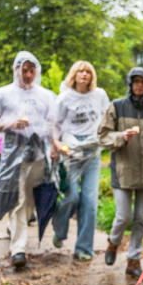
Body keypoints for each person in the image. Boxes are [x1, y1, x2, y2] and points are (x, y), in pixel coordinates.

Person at [0, 51, 56, 268]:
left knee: (30, 202)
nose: (27, 74)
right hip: (14, 155)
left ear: (37, 70)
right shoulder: (2, 94)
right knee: (18, 200)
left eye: (31, 70)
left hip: (39, 156)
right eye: (23, 70)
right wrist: (10, 124)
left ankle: (17, 230)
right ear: (16, 69)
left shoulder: (46, 95)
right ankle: (18, 250)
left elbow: (53, 124)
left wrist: (54, 146)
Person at [97, 67, 143, 279]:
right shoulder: (117, 106)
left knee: (140, 219)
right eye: (135, 82)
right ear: (130, 84)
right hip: (123, 171)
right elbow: (103, 135)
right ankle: (113, 243)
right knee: (123, 216)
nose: (139, 85)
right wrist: (121, 137)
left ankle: (133, 260)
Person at [50, 61, 110, 261]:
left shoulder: (99, 95)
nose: (84, 74)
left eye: (88, 72)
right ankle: (59, 230)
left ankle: (84, 248)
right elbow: (55, 124)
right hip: (70, 152)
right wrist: (55, 146)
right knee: (71, 197)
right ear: (74, 75)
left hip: (92, 152)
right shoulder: (65, 97)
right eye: (80, 71)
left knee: (90, 202)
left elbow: (107, 118)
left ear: (92, 76)